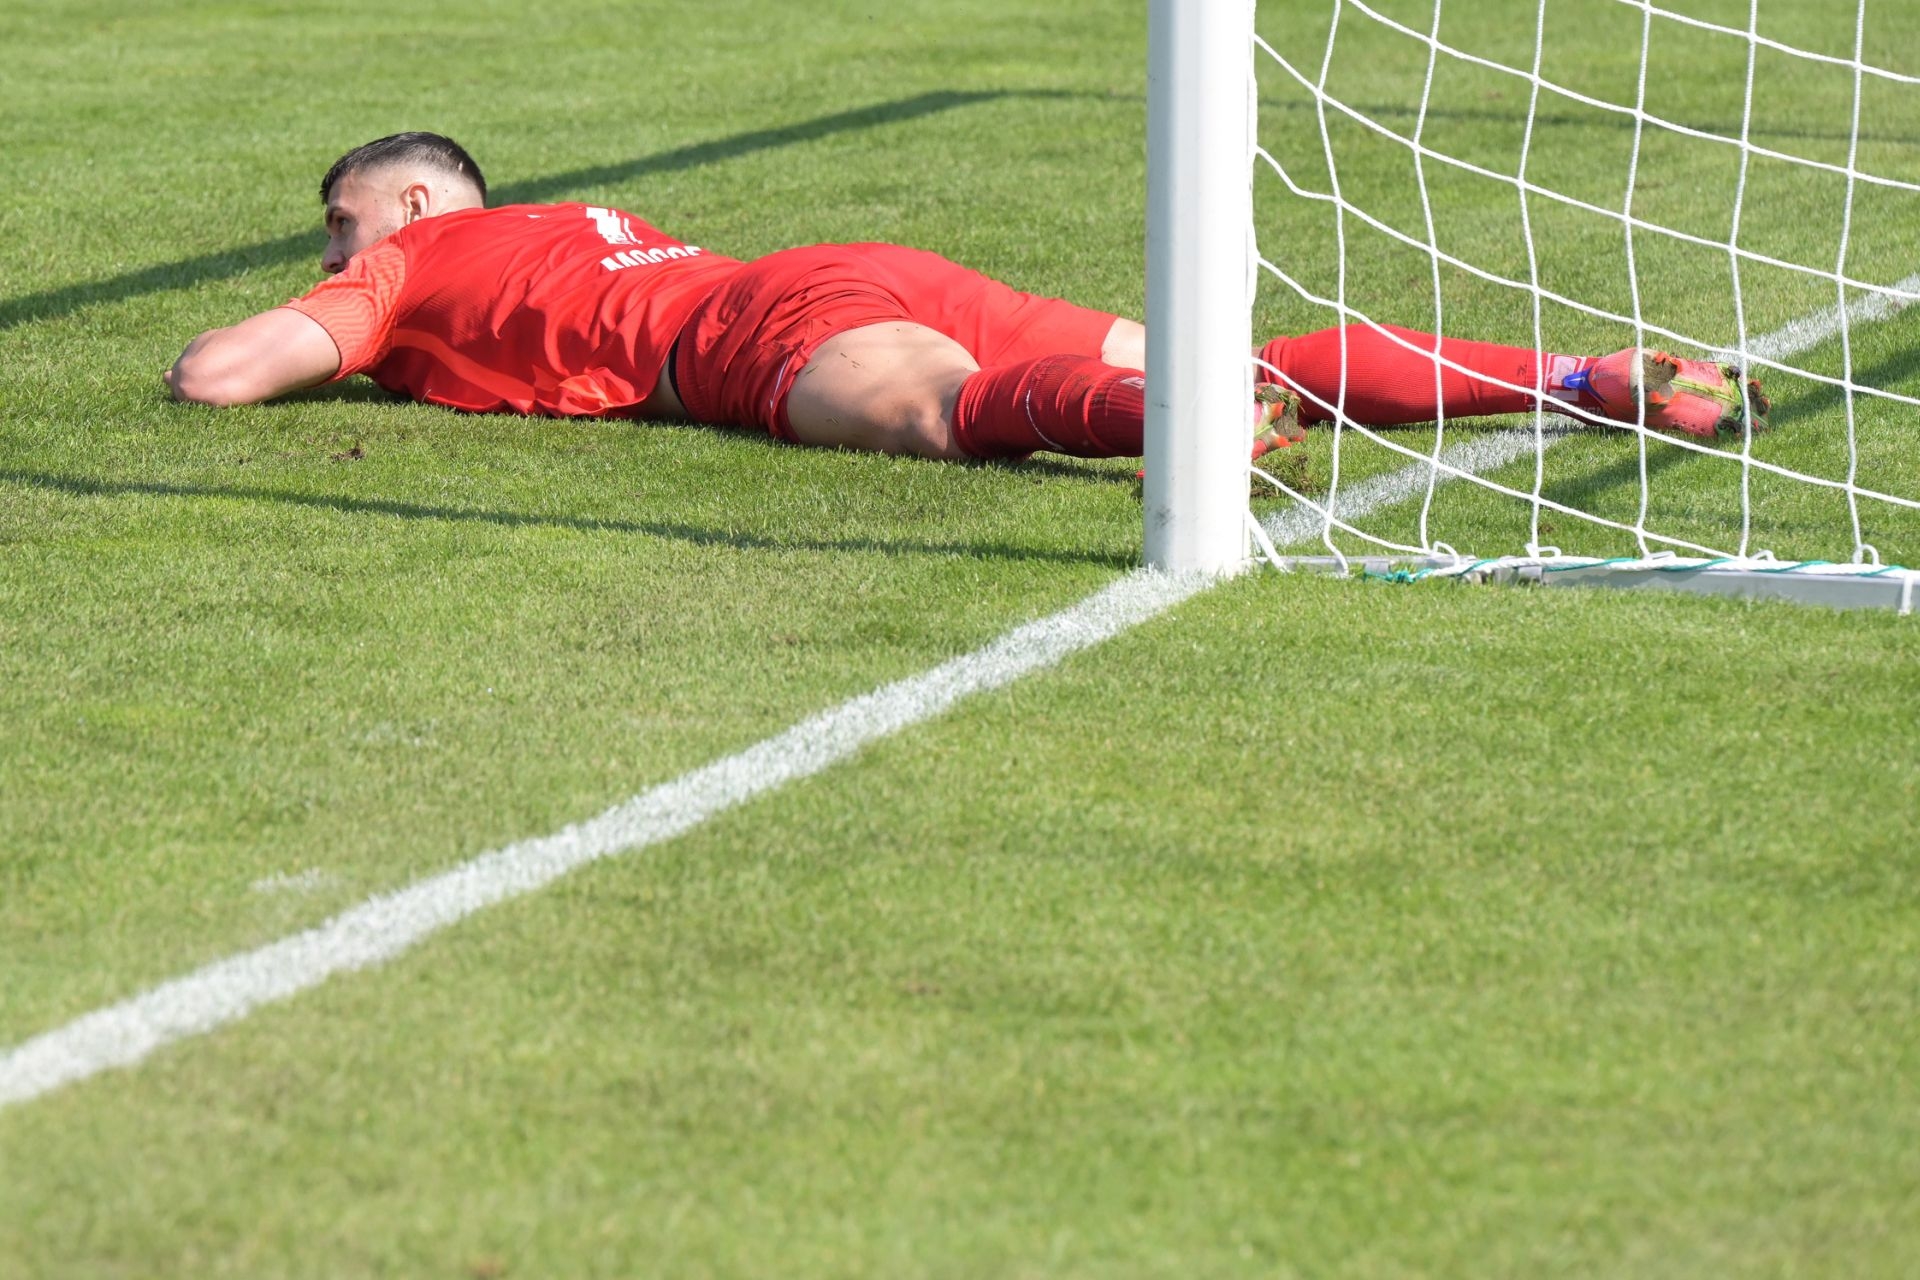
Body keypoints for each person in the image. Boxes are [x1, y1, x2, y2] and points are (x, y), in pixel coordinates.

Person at [165, 131, 1768, 461]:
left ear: (417, 202)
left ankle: (1183, 424)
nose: (333, 256)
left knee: (945, 417)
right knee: (1223, 347)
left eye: (338, 225)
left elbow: (220, 377)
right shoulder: (579, 218)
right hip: (851, 268)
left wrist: (352, 311)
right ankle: (1580, 376)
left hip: (750, 331)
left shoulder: (409, 259)